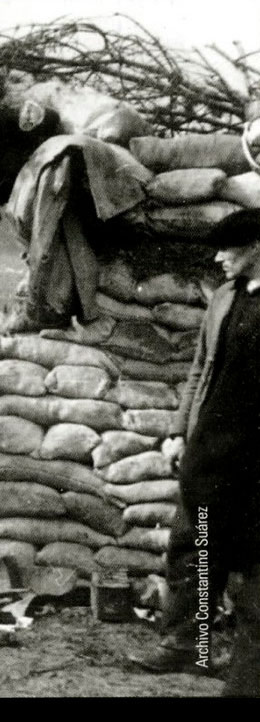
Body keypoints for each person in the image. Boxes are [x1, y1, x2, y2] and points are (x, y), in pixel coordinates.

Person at [129, 208, 260, 697]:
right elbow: (201, 368)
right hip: (211, 452)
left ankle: (247, 672)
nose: (219, 258)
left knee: (250, 568)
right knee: (197, 551)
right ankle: (190, 646)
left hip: (254, 461)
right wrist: (179, 431)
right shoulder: (225, 297)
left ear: (256, 247)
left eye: (228, 248)